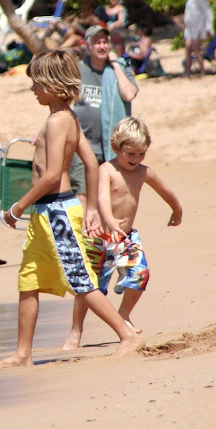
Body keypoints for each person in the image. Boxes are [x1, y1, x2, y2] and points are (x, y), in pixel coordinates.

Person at [0, 50, 144, 370]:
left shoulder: (58, 121)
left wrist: (17, 207)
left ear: (56, 86)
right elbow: (90, 162)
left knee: (81, 279)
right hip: (50, 214)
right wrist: (91, 205)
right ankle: (23, 353)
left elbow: (53, 175)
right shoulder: (66, 118)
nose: (32, 90)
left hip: (56, 213)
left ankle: (127, 335)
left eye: (37, 84)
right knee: (28, 279)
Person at [63, 117, 182, 349]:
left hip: (126, 238)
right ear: (116, 147)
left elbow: (165, 191)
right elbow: (102, 199)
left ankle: (124, 315)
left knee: (140, 274)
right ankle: (76, 330)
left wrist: (177, 209)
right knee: (90, 287)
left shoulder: (144, 173)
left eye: (141, 154)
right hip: (99, 238)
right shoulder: (106, 170)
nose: (135, 160)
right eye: (130, 154)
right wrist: (109, 220)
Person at [70, 25, 138, 209]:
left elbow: (129, 94)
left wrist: (115, 65)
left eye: (104, 42)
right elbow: (62, 102)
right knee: (82, 196)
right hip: (82, 145)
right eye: (97, 42)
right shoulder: (78, 69)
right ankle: (82, 237)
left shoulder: (122, 68)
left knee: (106, 199)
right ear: (88, 46)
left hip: (112, 147)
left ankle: (100, 237)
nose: (101, 46)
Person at [182, 0, 213, 78]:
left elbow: (207, 10)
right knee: (188, 48)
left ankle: (202, 72)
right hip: (190, 27)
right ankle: (188, 72)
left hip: (199, 26)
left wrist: (209, 27)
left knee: (196, 49)